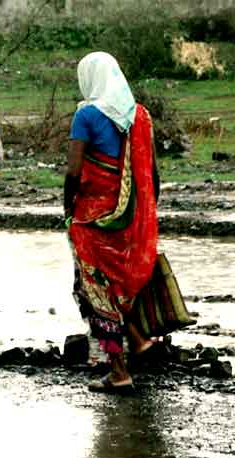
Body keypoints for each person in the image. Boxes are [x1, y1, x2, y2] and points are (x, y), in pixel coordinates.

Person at [65, 52, 160, 393]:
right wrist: (144, 211)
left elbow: (74, 170)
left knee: (93, 287)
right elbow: (153, 173)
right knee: (121, 281)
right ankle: (137, 340)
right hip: (132, 215)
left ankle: (119, 372)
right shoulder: (140, 117)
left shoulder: (86, 115)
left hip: (94, 217)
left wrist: (66, 208)